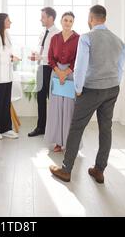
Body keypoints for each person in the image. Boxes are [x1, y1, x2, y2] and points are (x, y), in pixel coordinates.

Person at [49, 5, 125, 184]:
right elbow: (120, 69)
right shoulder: (119, 41)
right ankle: (99, 170)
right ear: (104, 19)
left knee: (76, 128)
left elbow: (81, 66)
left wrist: (78, 88)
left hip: (91, 89)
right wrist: (114, 84)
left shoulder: (86, 38)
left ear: (91, 18)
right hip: (112, 88)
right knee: (106, 129)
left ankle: (66, 170)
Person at [45, 12, 80, 152]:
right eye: (65, 20)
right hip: (55, 74)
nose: (67, 23)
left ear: (73, 23)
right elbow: (50, 58)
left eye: (70, 21)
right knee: (56, 109)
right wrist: (58, 72)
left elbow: (78, 58)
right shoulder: (55, 38)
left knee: (69, 109)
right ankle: (58, 142)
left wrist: (66, 72)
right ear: (61, 21)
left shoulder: (79, 39)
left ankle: (69, 142)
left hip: (70, 75)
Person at [0, 13, 21, 140]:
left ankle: (6, 128)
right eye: (8, 20)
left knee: (6, 104)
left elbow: (6, 53)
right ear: (2, 22)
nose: (10, 22)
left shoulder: (6, 35)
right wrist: (11, 58)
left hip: (7, 76)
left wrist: (11, 57)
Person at [28, 7, 60, 137]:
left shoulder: (57, 34)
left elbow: (55, 56)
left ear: (50, 18)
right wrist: (36, 56)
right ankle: (41, 127)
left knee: (52, 100)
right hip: (41, 68)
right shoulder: (43, 33)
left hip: (50, 70)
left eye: (43, 17)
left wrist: (41, 57)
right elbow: (42, 51)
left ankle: (54, 128)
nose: (41, 19)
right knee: (40, 99)